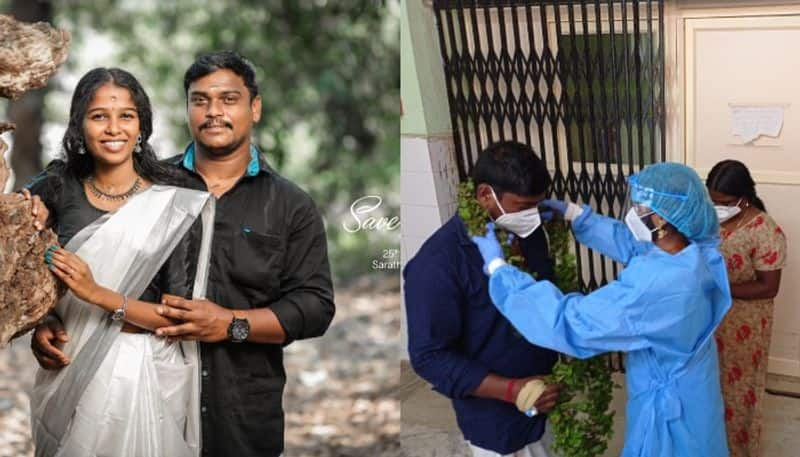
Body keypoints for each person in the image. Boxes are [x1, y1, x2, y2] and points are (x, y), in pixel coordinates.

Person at [31, 51, 336, 457]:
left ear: (255, 108)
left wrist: (232, 324)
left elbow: (315, 307)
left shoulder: (289, 205)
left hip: (240, 407)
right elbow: (54, 252)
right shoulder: (155, 188)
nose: (213, 112)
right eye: (200, 100)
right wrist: (46, 316)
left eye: (228, 99)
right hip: (130, 386)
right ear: (187, 108)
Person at [471, 162, 732, 457]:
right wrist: (577, 215)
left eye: (641, 206)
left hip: (673, 406)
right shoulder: (692, 249)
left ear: (661, 217)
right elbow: (636, 247)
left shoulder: (658, 286)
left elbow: (573, 323)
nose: (633, 211)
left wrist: (502, 273)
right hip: (695, 387)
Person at [25, 67, 215, 457]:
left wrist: (97, 294)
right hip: (69, 367)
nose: (114, 128)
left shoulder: (174, 196)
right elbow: (23, 269)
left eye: (126, 115)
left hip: (143, 371)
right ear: (80, 125)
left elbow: (179, 317)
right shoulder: (56, 187)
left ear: (141, 125)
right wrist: (42, 321)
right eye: (99, 116)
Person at [404, 141, 561, 457]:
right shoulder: (437, 264)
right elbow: (429, 356)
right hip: (495, 422)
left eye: (537, 206)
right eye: (522, 207)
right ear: (485, 195)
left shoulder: (527, 235)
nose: (532, 215)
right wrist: (512, 390)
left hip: (547, 401)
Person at [706, 160, 786, 457]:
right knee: (710, 385)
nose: (717, 208)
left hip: (745, 327)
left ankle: (739, 449)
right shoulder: (709, 221)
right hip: (710, 320)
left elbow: (769, 287)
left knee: (738, 393)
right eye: (712, 201)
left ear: (744, 197)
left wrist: (719, 288)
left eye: (724, 202)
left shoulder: (765, 231)